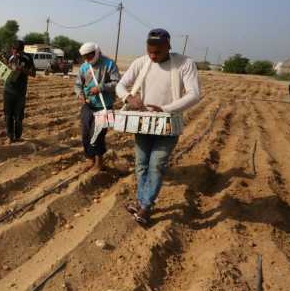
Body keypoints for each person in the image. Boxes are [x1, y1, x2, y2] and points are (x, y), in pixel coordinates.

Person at [116, 28, 200, 225]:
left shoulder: (185, 64)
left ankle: (145, 206)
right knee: (141, 163)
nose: (153, 56)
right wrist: (128, 97)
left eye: (158, 52)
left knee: (157, 164)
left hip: (168, 124)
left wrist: (165, 108)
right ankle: (142, 201)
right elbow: (121, 85)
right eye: (150, 51)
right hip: (144, 123)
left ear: (168, 47)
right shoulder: (141, 62)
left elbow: (194, 94)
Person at [74, 42, 120, 171]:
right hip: (88, 105)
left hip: (105, 106)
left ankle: (99, 162)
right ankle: (90, 159)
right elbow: (78, 84)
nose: (87, 59)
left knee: (98, 134)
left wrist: (101, 87)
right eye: (85, 57)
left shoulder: (109, 64)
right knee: (85, 133)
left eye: (89, 56)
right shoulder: (84, 67)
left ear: (96, 52)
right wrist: (80, 94)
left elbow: (117, 82)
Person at [4, 40, 36, 143]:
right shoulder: (9, 56)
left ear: (23, 50)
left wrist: (22, 69)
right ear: (12, 49)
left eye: (19, 52)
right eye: (15, 51)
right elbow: (4, 70)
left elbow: (33, 73)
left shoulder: (28, 58)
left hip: (20, 92)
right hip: (8, 90)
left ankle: (18, 136)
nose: (17, 54)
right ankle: (10, 136)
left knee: (18, 117)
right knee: (8, 115)